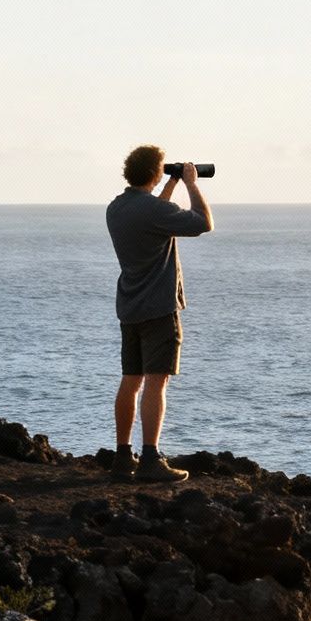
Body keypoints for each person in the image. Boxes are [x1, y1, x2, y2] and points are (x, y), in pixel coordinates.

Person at [106, 144, 213, 482]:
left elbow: (153, 212)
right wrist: (192, 183)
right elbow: (203, 223)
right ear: (155, 172)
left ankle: (123, 457)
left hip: (130, 306)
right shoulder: (151, 211)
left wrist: (170, 184)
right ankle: (151, 458)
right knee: (156, 381)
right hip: (159, 308)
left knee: (131, 380)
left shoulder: (117, 208)